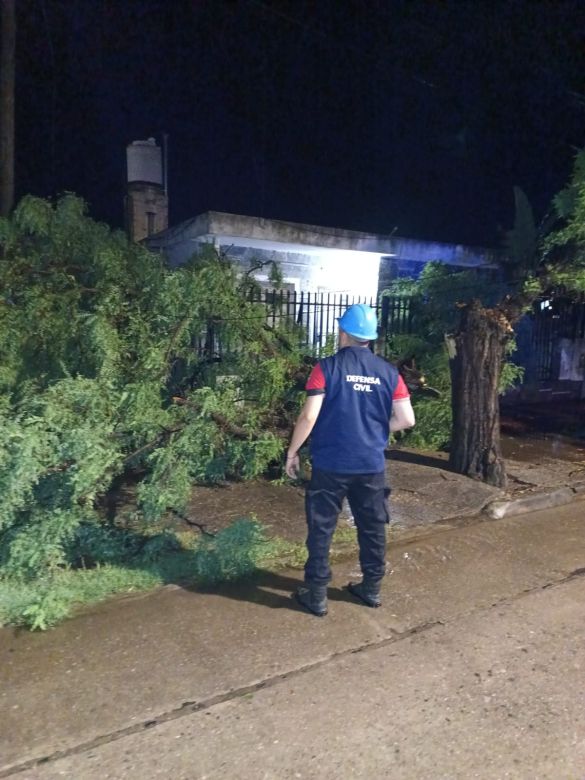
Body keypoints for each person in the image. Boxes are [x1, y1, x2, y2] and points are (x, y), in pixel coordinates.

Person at [285, 303, 415, 617]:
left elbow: (308, 416)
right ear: (369, 338)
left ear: (344, 332)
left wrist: (292, 453)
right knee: (372, 527)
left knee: (322, 528)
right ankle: (370, 588)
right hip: (371, 465)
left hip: (331, 465)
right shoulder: (389, 372)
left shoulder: (325, 368)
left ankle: (316, 595)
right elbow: (407, 419)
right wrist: (377, 429)